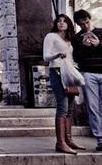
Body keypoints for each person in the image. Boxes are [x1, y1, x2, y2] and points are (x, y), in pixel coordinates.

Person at [43, 14, 85, 154]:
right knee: (63, 106)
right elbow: (45, 56)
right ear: (56, 23)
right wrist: (57, 55)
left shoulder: (68, 39)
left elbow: (71, 57)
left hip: (69, 73)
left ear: (68, 24)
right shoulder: (51, 36)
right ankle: (60, 143)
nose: (61, 23)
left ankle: (68, 139)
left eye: (64, 21)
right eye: (59, 21)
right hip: (56, 72)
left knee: (70, 108)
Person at [73, 9, 102, 151]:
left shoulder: (101, 32)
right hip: (88, 74)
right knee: (93, 107)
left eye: (87, 22)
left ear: (90, 19)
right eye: (81, 24)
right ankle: (100, 139)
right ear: (78, 25)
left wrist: (99, 45)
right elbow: (77, 59)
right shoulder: (77, 38)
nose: (85, 26)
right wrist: (83, 47)